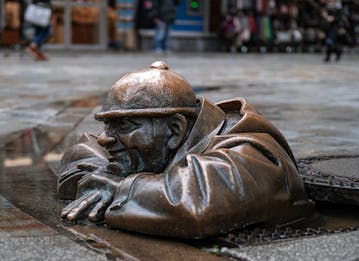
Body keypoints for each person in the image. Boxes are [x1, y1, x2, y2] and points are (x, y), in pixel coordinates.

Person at [57, 61, 313, 239]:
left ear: (175, 130)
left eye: (124, 125)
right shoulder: (160, 143)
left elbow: (195, 204)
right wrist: (104, 181)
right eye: (108, 126)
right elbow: (80, 152)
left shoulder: (251, 153)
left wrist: (116, 187)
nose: (104, 139)